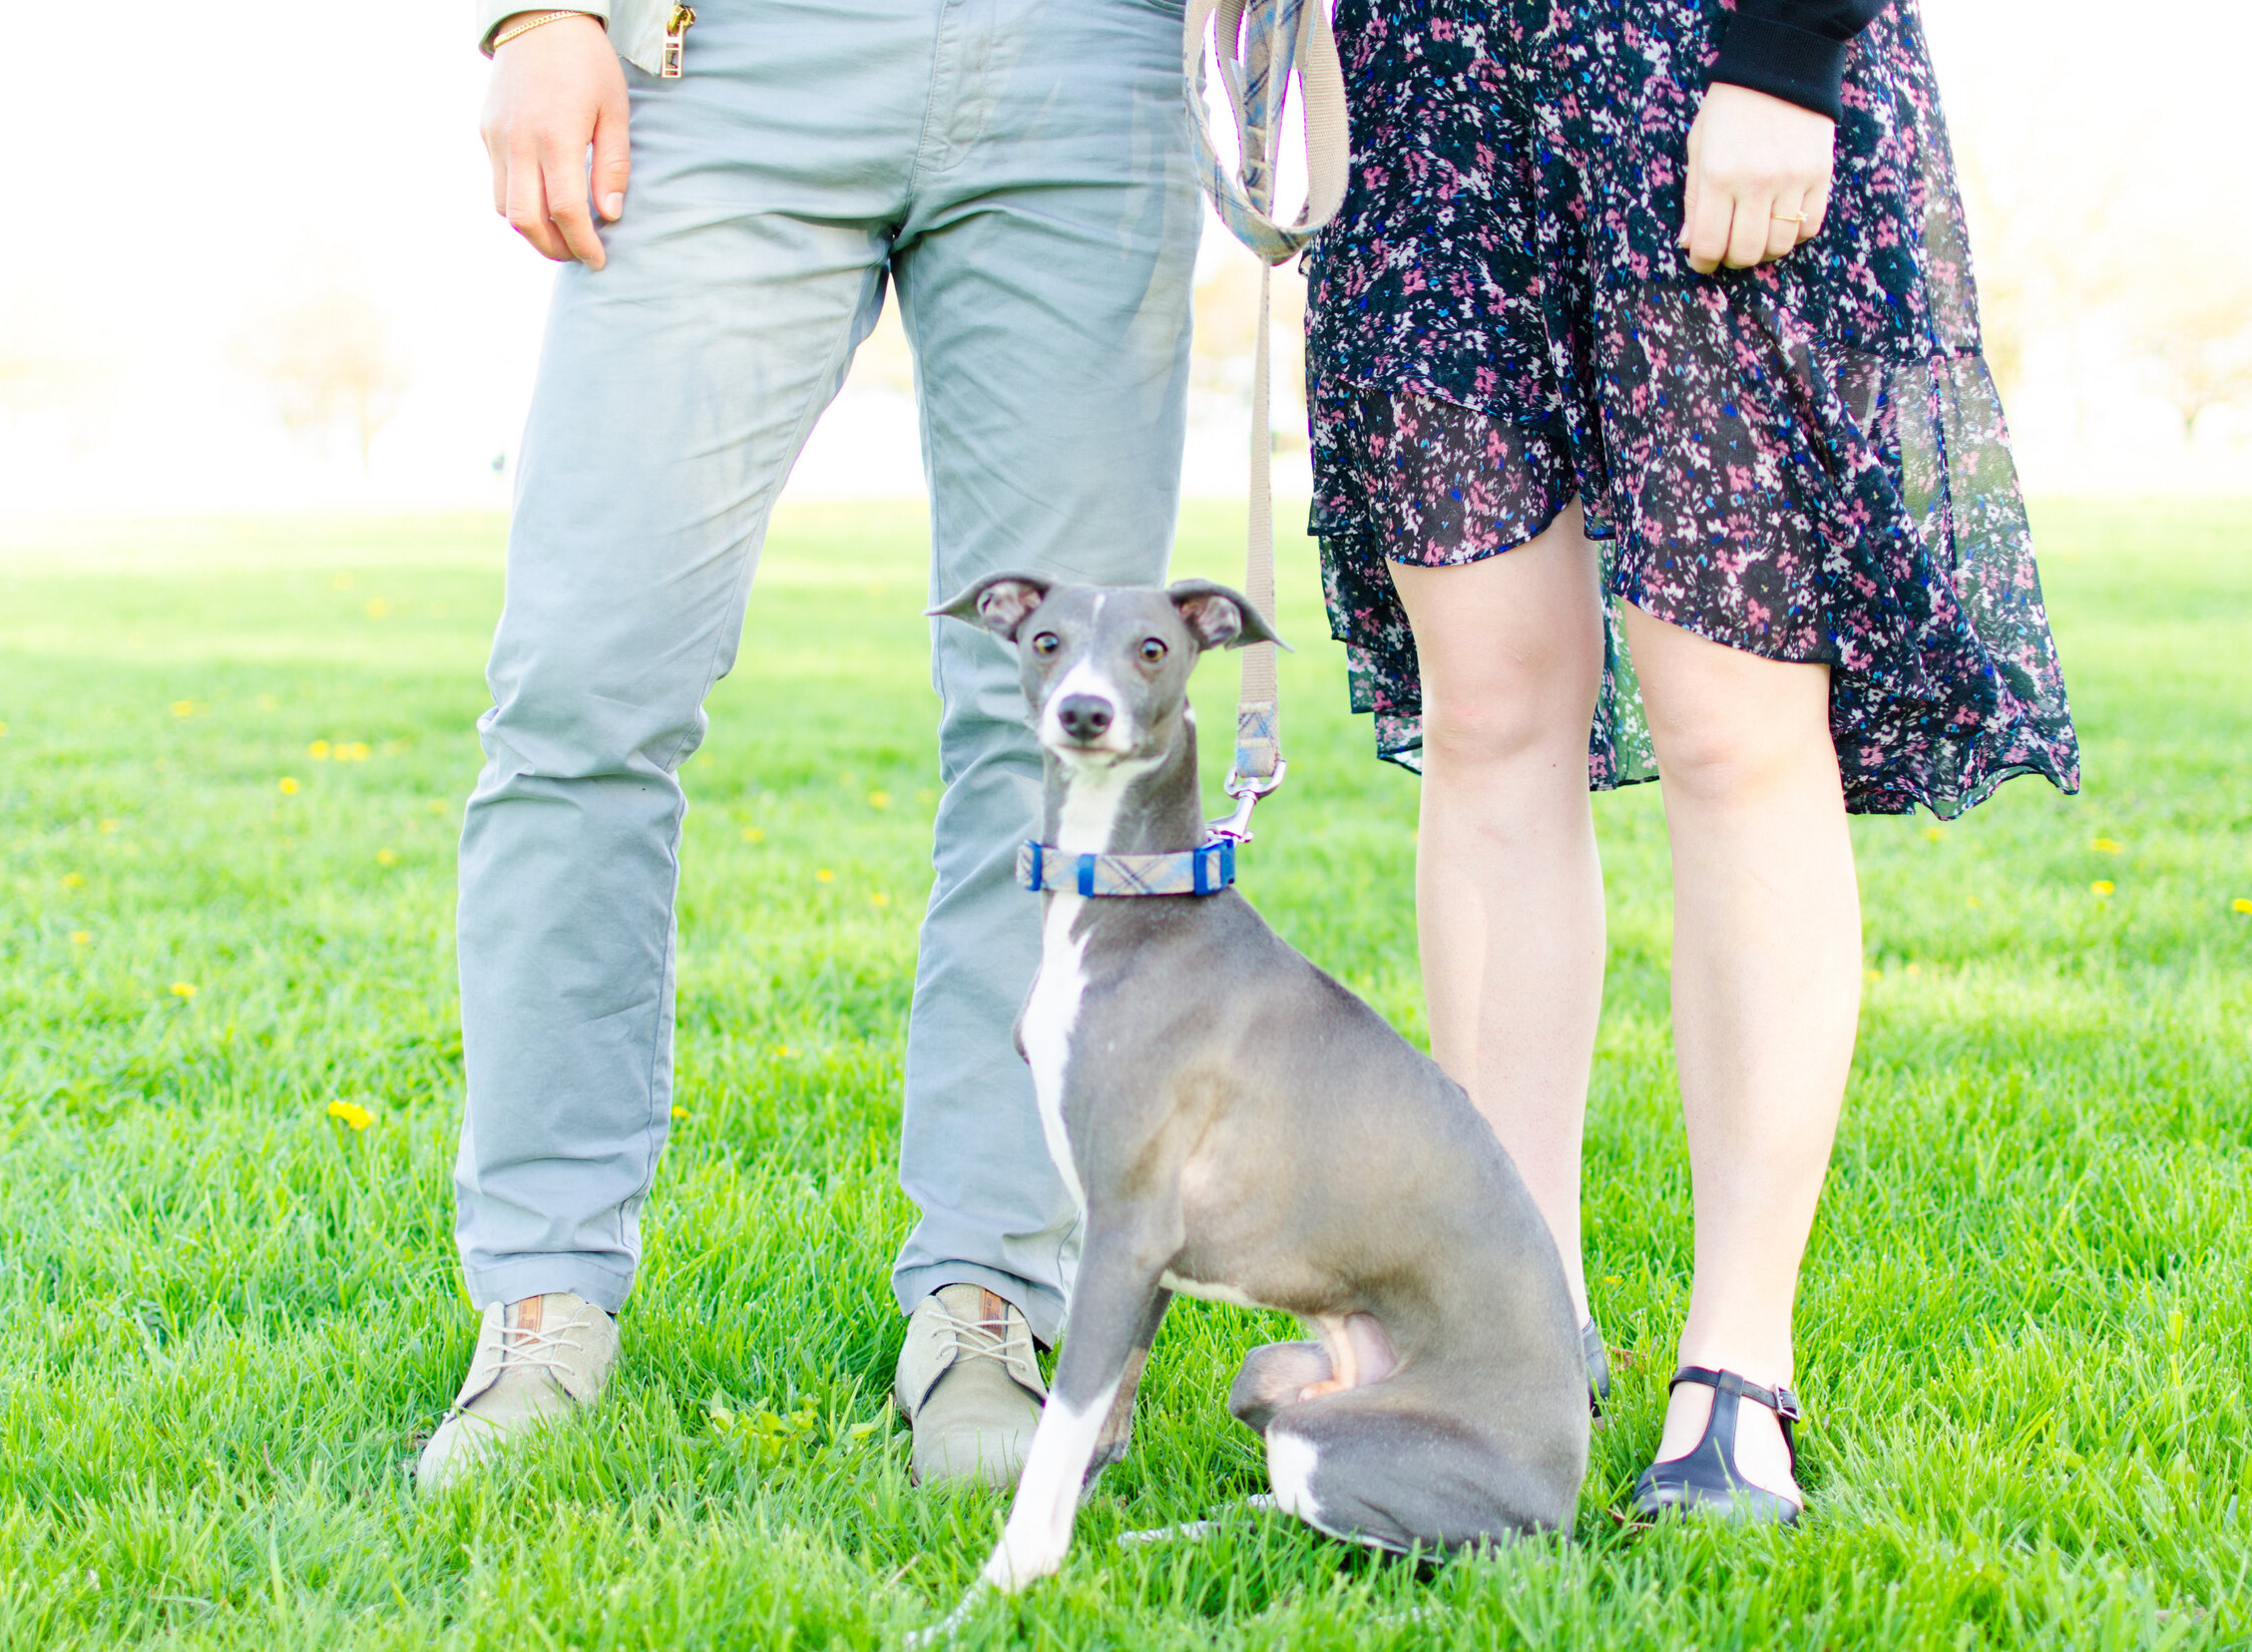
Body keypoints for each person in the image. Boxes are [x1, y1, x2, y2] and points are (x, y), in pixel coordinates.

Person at [1303, 0, 2077, 1522]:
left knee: (1733, 724)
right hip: (1419, 89)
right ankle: (1511, 1322)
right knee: (1489, 713)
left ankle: (1735, 1375)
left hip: (1700, 58)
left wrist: (1790, 51)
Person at [417, 0, 1201, 1491]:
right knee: (584, 688)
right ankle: (544, 1291)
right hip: (728, 57)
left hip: (1093, 62)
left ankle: (991, 1300)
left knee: (1058, 739)